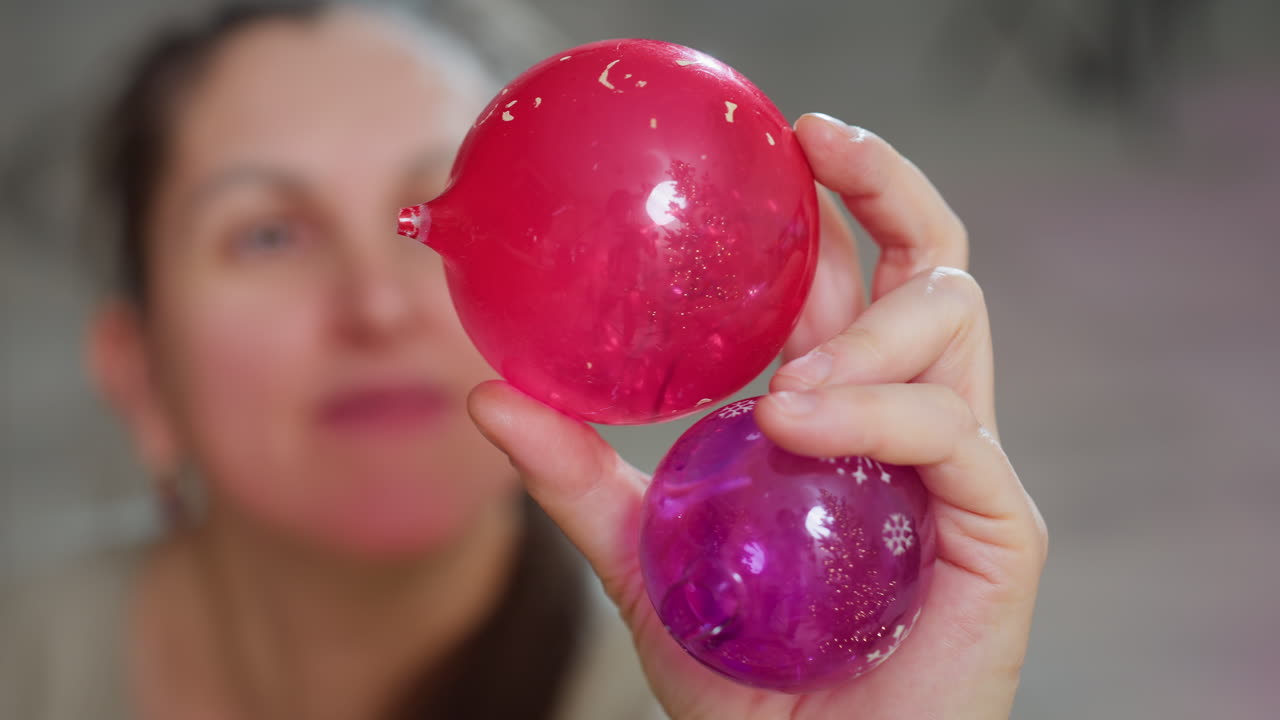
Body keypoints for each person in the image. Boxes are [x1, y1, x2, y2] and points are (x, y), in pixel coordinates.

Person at [0, 2, 1048, 718]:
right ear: (137, 375)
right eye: (268, 234)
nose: (372, 304)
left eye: (486, 219)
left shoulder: (723, 670)